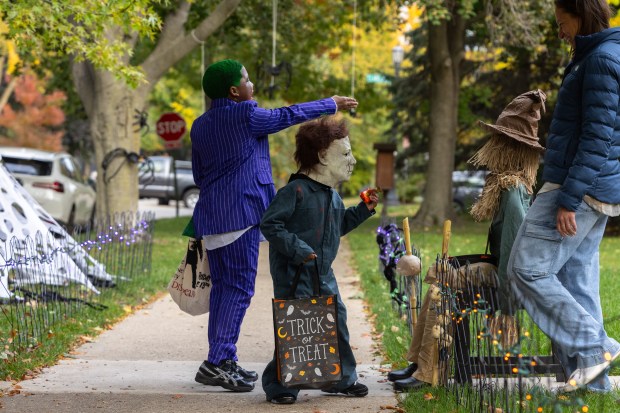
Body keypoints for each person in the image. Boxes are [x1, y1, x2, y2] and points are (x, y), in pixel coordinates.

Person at [190, 59, 359, 392]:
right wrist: (330, 104)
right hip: (240, 214)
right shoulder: (245, 114)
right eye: (248, 80)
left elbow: (198, 174)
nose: (252, 85)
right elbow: (286, 115)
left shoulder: (200, 124)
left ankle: (221, 360)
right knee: (237, 290)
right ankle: (218, 362)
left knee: (225, 290)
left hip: (213, 215)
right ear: (235, 91)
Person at [389, 89, 547, 391]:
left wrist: (506, 310)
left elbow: (513, 258)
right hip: (499, 268)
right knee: (439, 277)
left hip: (508, 281)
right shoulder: (507, 187)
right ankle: (420, 361)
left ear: (510, 149)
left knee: (442, 286)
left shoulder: (513, 193)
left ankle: (428, 370)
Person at [508, 0, 620, 393]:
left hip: (579, 187)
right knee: (576, 279)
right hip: (595, 186)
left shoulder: (601, 60)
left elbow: (597, 137)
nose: (559, 31)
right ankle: (598, 384)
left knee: (526, 268)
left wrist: (569, 198)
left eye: (562, 22)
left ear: (582, 13)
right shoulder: (603, 55)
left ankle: (597, 346)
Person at [259, 116, 378, 404]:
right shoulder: (294, 192)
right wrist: (298, 249)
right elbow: (270, 225)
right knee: (297, 326)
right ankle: (281, 385)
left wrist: (363, 210)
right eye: (346, 153)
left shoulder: (332, 196)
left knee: (336, 321)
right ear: (323, 156)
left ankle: (339, 378)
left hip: (323, 272)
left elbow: (338, 226)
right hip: (295, 274)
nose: (352, 160)